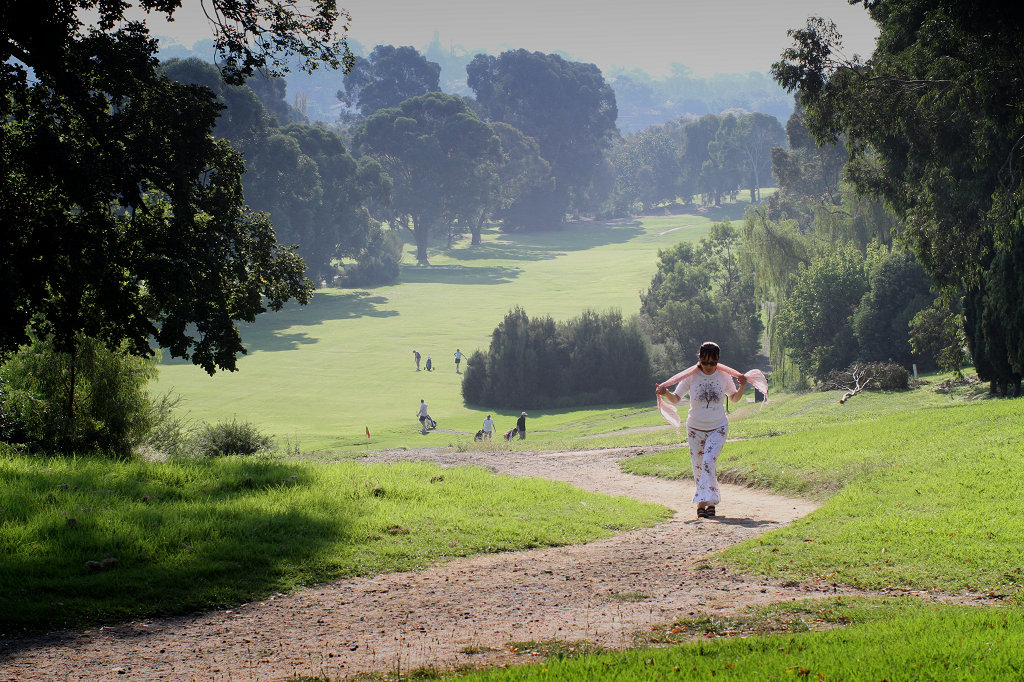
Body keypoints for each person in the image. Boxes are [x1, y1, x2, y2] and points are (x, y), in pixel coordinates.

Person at [655, 341, 760, 519]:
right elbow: (676, 398)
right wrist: (665, 393)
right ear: (700, 359)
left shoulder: (723, 376)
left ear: (718, 361)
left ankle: (703, 503)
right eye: (705, 362)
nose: (709, 366)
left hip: (718, 427)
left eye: (713, 363)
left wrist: (742, 385)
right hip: (695, 428)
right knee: (698, 466)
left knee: (708, 461)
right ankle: (708, 503)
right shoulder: (691, 376)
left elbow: (734, 398)